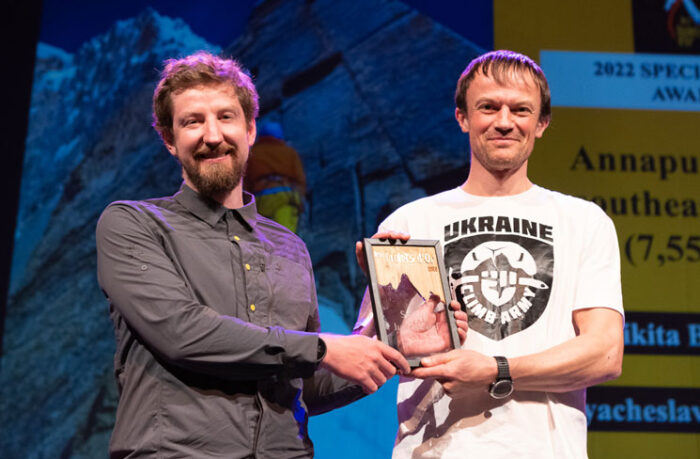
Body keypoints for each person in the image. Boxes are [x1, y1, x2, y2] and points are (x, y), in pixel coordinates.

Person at [95, 51, 413, 458]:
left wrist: (392, 339)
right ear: (170, 140)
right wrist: (323, 348)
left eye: (226, 117)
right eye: (193, 121)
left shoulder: (290, 247)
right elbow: (182, 333)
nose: (212, 135)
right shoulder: (134, 224)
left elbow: (304, 386)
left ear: (250, 130)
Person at [354, 50, 624, 458]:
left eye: (520, 109)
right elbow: (369, 357)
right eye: (488, 107)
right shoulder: (411, 222)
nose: (503, 121)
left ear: (542, 123)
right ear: (463, 117)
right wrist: (387, 305)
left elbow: (604, 353)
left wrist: (496, 370)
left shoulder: (584, 221)